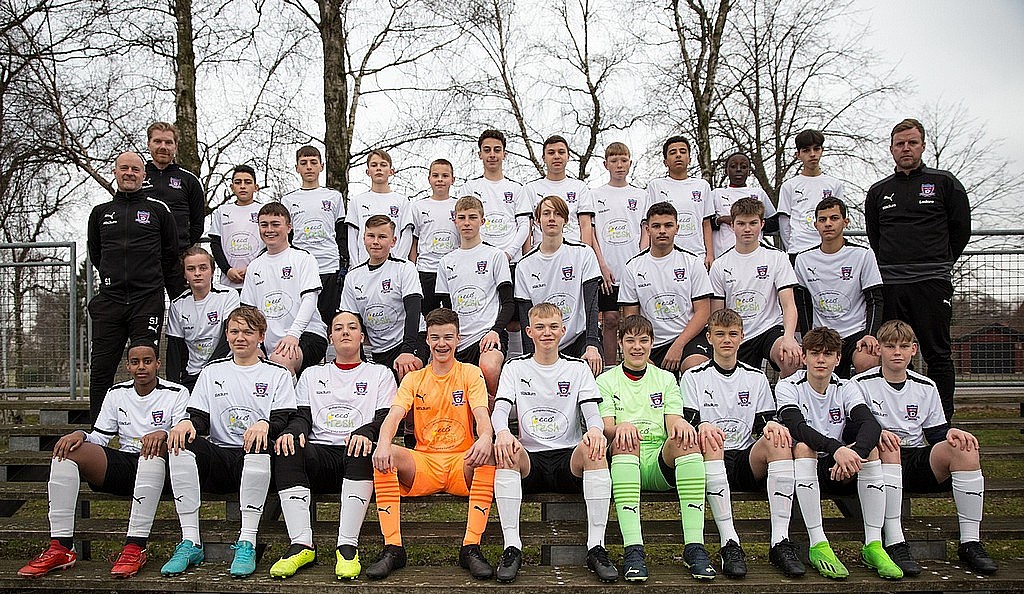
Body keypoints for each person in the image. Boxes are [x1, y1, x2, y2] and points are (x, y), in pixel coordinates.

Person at [18, 340, 188, 579]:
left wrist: (165, 433)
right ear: (128, 366)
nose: (141, 367)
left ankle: (135, 547)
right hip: (125, 464)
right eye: (135, 362)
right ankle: (62, 547)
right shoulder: (116, 393)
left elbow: (183, 434)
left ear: (158, 364)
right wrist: (81, 434)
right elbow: (100, 437)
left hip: (162, 468)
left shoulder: (177, 392)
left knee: (154, 448)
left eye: (147, 361)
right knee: (66, 451)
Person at [853, 319, 997, 576]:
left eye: (903, 346)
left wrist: (951, 433)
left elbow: (936, 433)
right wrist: (876, 433)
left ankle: (970, 542)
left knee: (964, 449)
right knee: (886, 444)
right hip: (878, 461)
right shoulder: (860, 383)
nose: (897, 352)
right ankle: (895, 542)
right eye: (890, 346)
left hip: (915, 457)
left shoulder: (926, 386)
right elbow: (852, 429)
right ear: (880, 349)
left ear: (914, 350)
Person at [162, 306, 297, 578]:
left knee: (259, 442)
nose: (240, 337)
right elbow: (200, 418)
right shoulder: (212, 372)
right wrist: (188, 423)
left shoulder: (277, 374)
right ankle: (190, 541)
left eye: (248, 332)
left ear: (261, 336)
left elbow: (283, 419)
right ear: (226, 334)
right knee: (181, 441)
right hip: (220, 458)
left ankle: (247, 541)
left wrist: (265, 424)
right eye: (234, 331)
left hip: (258, 460)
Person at [368, 309, 497, 580]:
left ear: (458, 339)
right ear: (427, 339)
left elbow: (482, 415)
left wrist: (486, 436)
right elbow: (394, 415)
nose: (442, 344)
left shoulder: (470, 373)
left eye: (448, 337)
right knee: (385, 454)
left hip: (461, 462)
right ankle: (393, 547)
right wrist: (383, 442)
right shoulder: (414, 378)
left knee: (488, 455)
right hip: (424, 463)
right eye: (435, 337)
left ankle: (471, 547)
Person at [492, 303, 616, 583]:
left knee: (595, 449)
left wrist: (595, 431)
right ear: (529, 332)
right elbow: (499, 410)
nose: (546, 333)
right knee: (507, 451)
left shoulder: (577, 368)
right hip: (531, 460)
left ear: (562, 330)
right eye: (540, 327)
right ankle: (512, 547)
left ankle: (596, 547)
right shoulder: (515, 367)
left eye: (552, 327)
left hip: (567, 460)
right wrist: (502, 432)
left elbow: (592, 414)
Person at [268, 311, 397, 579]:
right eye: (338, 328)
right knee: (287, 447)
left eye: (352, 327)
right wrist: (293, 432)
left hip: (357, 457)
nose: (345, 332)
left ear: (362, 337)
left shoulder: (380, 374)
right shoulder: (312, 374)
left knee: (362, 447)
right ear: (330, 338)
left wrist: (365, 431)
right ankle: (302, 544)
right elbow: (301, 416)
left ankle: (347, 546)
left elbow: (386, 417)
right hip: (320, 456)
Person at [680, 309, 804, 578]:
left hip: (745, 460)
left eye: (732, 334)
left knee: (779, 440)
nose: (727, 340)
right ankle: (729, 543)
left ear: (742, 337)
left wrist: (771, 425)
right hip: (710, 458)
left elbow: (763, 422)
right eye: (720, 334)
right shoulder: (693, 376)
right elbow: (688, 423)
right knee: (711, 440)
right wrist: (702, 426)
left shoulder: (756, 377)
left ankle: (780, 542)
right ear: (709, 338)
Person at [776, 327, 903, 580]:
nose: (821, 360)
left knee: (873, 450)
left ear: (838, 359)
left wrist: (854, 454)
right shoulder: (788, 386)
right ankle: (818, 544)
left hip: (839, 468)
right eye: (815, 353)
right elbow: (797, 428)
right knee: (803, 446)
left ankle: (873, 545)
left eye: (828, 354)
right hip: (803, 467)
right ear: (804, 357)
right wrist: (838, 449)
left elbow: (870, 424)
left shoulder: (846, 386)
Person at [865, 118, 971, 422]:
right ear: (891, 149)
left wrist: (939, 263)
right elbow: (875, 236)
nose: (906, 148)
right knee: (894, 354)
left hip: (932, 281)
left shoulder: (944, 182)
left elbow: (961, 230)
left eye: (912, 142)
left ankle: (942, 422)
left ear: (923, 146)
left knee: (938, 353)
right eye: (900, 144)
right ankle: (899, 420)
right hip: (891, 284)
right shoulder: (879, 191)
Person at [599, 315, 712, 581]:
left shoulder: (666, 379)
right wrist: (621, 428)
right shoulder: (605, 380)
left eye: (643, 340)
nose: (637, 347)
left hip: (659, 463)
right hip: (625, 459)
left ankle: (695, 548)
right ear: (620, 343)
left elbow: (673, 422)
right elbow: (606, 427)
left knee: (686, 440)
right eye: (630, 341)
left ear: (652, 343)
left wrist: (682, 425)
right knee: (625, 440)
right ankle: (633, 550)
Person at [87, 151, 179, 423]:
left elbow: (170, 254)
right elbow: (96, 254)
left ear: (143, 175)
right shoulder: (100, 213)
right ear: (115, 172)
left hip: (146, 301)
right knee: (101, 370)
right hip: (111, 301)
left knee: (145, 368)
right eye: (124, 168)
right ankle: (98, 432)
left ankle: (146, 429)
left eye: (135, 169)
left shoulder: (158, 210)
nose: (129, 173)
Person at [709, 198, 801, 377]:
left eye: (753, 223)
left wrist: (789, 338)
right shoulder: (720, 265)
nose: (747, 229)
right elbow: (717, 314)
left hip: (769, 329)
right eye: (741, 223)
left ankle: (784, 395)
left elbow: (789, 304)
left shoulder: (777, 258)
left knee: (791, 358)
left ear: (762, 224)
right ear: (732, 225)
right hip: (735, 334)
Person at [435, 196, 514, 402]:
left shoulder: (495, 256)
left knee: (488, 367)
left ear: (482, 221)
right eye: (462, 218)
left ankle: (496, 413)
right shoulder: (446, 262)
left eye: (472, 217)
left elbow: (508, 303)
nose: (467, 223)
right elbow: (446, 310)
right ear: (455, 221)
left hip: (488, 335)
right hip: (459, 340)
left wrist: (495, 331)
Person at [794, 197, 883, 378]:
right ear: (816, 225)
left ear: (845, 222)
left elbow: (875, 300)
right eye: (822, 219)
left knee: (867, 359)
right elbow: (802, 304)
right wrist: (807, 338)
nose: (828, 224)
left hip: (855, 333)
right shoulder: (803, 260)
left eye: (834, 218)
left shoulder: (863, 255)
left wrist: (870, 334)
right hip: (822, 334)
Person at [620, 201, 712, 376]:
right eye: (656, 226)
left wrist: (678, 345)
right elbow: (631, 318)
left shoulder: (692, 263)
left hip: (688, 339)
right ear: (648, 230)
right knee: (646, 375)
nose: (662, 230)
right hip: (651, 343)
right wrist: (643, 352)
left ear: (677, 228)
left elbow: (703, 312)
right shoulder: (633, 267)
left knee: (696, 369)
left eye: (668, 225)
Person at [514, 195, 603, 375]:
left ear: (566, 220)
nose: (552, 218)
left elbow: (592, 304)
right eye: (546, 213)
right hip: (544, 343)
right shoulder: (524, 265)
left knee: (592, 364)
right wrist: (530, 357)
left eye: (557, 214)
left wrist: (592, 344)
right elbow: (525, 317)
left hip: (579, 338)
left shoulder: (583, 253)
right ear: (537, 221)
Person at [240, 202, 328, 377]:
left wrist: (293, 335)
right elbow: (249, 312)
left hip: (306, 334)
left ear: (288, 227)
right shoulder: (254, 266)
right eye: (264, 225)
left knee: (281, 361)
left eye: (275, 224)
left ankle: (291, 396)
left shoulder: (303, 258)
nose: (269, 230)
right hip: (268, 342)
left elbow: (310, 300)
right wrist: (255, 345)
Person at [340, 215, 427, 381]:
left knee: (406, 372)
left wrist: (407, 350)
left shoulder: (405, 268)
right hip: (377, 349)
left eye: (382, 237)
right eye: (371, 236)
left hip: (409, 340)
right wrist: (359, 360)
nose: (375, 242)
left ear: (393, 241)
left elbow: (413, 311)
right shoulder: (353, 277)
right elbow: (351, 321)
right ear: (363, 239)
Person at [591, 142, 647, 363]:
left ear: (630, 163)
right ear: (606, 164)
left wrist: (640, 260)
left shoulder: (641, 195)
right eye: (614, 161)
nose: (619, 165)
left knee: (635, 322)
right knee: (611, 319)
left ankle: (636, 365)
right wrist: (601, 265)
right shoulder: (595, 194)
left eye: (623, 160)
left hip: (633, 269)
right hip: (608, 271)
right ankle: (610, 368)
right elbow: (592, 233)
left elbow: (645, 229)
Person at [280, 146, 346, 328]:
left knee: (328, 318)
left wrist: (344, 262)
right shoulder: (288, 200)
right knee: (303, 316)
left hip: (328, 265)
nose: (309, 167)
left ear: (321, 166)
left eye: (313, 162)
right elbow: (286, 237)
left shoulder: (334, 196)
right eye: (303, 163)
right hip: (301, 268)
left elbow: (341, 233)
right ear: (297, 168)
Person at [143, 122, 205, 297]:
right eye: (157, 141)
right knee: (148, 307)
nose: (163, 147)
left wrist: (180, 247)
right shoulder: (138, 176)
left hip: (178, 261)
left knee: (185, 306)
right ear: (149, 144)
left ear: (176, 146)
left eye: (168, 142)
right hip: (145, 258)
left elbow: (197, 224)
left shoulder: (189, 180)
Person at [166, 246, 240, 391]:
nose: (197, 273)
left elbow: (230, 337)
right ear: (184, 274)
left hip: (224, 370)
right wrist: (172, 388)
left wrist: (209, 368)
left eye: (203, 268)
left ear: (212, 271)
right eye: (191, 269)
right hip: (193, 375)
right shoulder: (177, 304)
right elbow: (174, 349)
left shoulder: (228, 295)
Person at [458, 130, 532, 263]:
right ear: (480, 154)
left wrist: (508, 254)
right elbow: (463, 224)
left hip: (511, 261)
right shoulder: (469, 188)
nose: (492, 154)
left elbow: (524, 226)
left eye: (497, 150)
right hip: (478, 260)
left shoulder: (517, 188)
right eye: (487, 150)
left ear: (504, 154)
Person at [644, 136, 714, 268]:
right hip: (664, 255)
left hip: (696, 255)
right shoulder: (655, 186)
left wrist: (709, 254)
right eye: (673, 152)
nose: (678, 155)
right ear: (665, 161)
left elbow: (706, 224)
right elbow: (649, 224)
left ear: (689, 159)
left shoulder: (702, 186)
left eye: (682, 151)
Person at [777, 129, 845, 259]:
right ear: (798, 155)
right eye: (806, 150)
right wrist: (791, 246)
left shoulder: (834, 184)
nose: (812, 154)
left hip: (828, 251)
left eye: (816, 149)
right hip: (798, 251)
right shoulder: (789, 186)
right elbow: (784, 222)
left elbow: (840, 218)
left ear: (822, 150)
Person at [522, 135, 596, 248]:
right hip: (542, 252)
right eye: (551, 153)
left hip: (573, 252)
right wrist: (527, 255)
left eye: (561, 152)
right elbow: (527, 227)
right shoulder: (531, 188)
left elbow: (585, 226)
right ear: (544, 158)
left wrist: (585, 253)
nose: (556, 156)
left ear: (568, 156)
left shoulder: (580, 187)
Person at [407, 159, 459, 313]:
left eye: (445, 176)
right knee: (428, 315)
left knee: (453, 314)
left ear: (453, 179)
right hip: (427, 270)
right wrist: (412, 269)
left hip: (453, 270)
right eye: (435, 175)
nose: (440, 180)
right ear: (429, 179)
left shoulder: (459, 206)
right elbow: (414, 241)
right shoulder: (418, 207)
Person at [345, 149, 412, 266]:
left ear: (391, 171)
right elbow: (352, 237)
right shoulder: (357, 201)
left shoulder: (402, 201)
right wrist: (357, 266)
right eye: (374, 165)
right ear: (368, 171)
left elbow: (406, 236)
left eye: (383, 165)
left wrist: (397, 264)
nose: (378, 168)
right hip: (364, 266)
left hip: (392, 267)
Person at [710, 152, 778, 257]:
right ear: (726, 171)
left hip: (754, 255)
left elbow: (775, 223)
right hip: (723, 255)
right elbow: (705, 224)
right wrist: (721, 220)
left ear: (749, 171)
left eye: (744, 167)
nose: (738, 170)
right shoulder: (716, 194)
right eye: (733, 166)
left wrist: (753, 222)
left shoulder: (758, 193)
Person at [208, 165, 263, 290]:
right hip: (229, 282)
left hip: (257, 280)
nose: (242, 186)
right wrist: (227, 270)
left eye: (247, 182)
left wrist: (252, 268)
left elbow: (269, 245)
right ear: (232, 188)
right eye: (238, 182)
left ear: (256, 187)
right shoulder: (222, 211)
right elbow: (215, 244)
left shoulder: (263, 210)